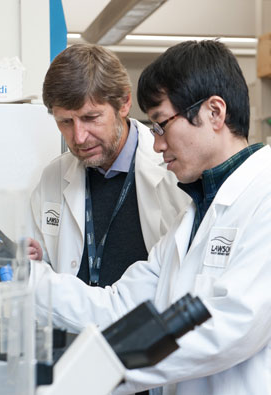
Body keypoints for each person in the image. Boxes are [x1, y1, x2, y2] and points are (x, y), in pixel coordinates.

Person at [30, 40, 271, 394]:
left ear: (214, 113)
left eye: (161, 125)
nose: (156, 144)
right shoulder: (193, 218)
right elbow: (121, 305)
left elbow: (223, 331)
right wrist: (24, 280)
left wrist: (83, 379)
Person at [28, 44, 190, 288]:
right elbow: (40, 270)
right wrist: (31, 263)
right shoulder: (54, 178)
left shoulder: (174, 173)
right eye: (65, 122)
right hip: (74, 326)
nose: (79, 137)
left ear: (124, 103)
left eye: (90, 118)